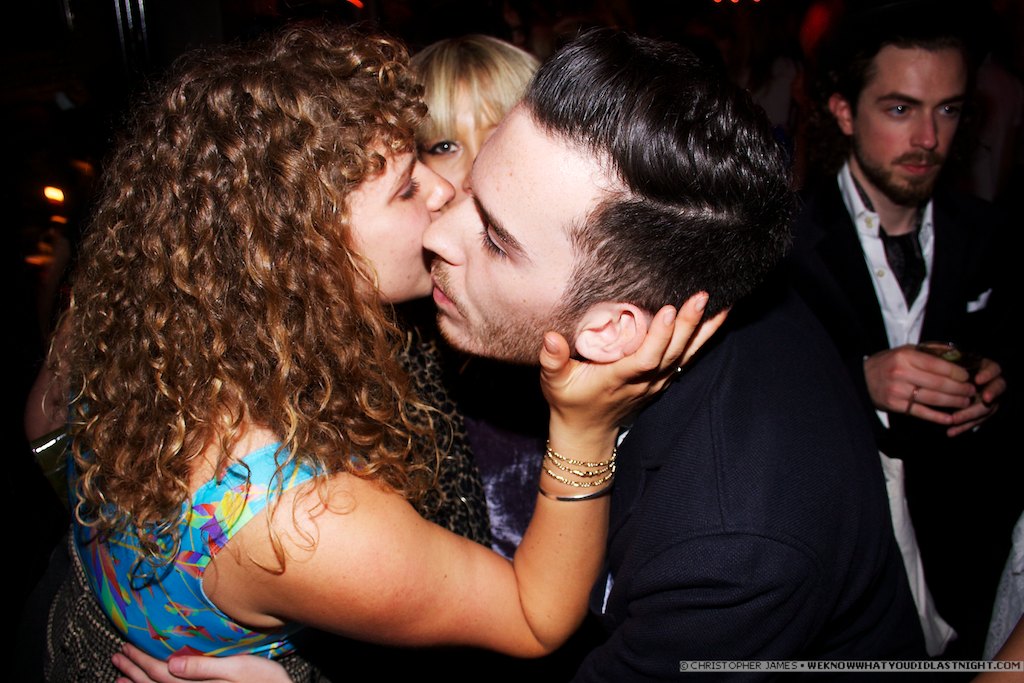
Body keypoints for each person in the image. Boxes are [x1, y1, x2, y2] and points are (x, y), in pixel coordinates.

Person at [117, 27, 930, 683]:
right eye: (466, 178)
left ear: (611, 331)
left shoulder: (730, 551)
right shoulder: (678, 273)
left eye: (497, 239)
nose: (439, 228)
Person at [42, 22, 714, 682]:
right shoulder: (302, 523)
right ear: (306, 255)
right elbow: (532, 615)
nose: (445, 187)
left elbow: (42, 432)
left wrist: (114, 572)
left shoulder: (134, 318)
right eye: (406, 188)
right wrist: (583, 428)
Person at [787, 2, 1019, 663]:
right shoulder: (787, 247)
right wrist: (856, 381)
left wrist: (1000, 382)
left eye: (948, 110)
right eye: (900, 109)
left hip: (962, 566)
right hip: (836, 574)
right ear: (843, 111)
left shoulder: (993, 235)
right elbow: (752, 408)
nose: (928, 138)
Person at [410, 33, 544, 561]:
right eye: (444, 145)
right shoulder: (393, 320)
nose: (472, 173)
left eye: (500, 132)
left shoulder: (583, 296)